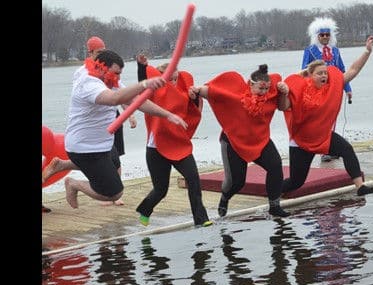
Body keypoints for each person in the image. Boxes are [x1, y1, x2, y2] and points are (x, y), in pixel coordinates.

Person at [41, 49, 188, 209]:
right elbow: (113, 99)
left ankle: (61, 165)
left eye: (120, 74)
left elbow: (138, 101)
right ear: (100, 68)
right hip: (84, 148)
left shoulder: (110, 80)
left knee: (115, 162)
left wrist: (167, 115)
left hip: (101, 144)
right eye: (115, 73)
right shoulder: (88, 83)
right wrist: (144, 84)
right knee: (114, 193)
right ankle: (74, 184)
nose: (117, 78)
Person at [279, 35, 373, 197]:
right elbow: (283, 106)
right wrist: (283, 93)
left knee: (346, 149)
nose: (324, 76)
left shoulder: (332, 86)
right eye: (319, 74)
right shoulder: (300, 89)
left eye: (325, 73)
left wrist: (367, 51)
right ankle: (273, 192)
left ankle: (360, 187)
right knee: (297, 181)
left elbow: (353, 70)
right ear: (311, 75)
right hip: (301, 140)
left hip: (323, 136)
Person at [188, 64, 290, 218]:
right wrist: (194, 91)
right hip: (233, 141)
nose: (264, 93)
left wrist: (283, 92)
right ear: (250, 85)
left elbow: (283, 107)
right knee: (237, 182)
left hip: (260, 140)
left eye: (266, 89)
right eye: (260, 89)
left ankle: (274, 206)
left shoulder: (270, 95)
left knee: (275, 166)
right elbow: (208, 91)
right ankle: (225, 198)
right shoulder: (235, 95)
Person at [134, 54, 211, 227]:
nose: (174, 83)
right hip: (156, 148)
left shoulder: (183, 92)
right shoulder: (155, 91)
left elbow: (192, 109)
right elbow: (142, 87)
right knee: (161, 190)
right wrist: (141, 66)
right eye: (171, 79)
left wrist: (193, 97)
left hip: (178, 145)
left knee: (193, 180)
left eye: (176, 79)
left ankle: (201, 219)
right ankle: (145, 209)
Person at [74, 36, 138, 206]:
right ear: (91, 52)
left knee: (116, 157)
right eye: (99, 52)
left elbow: (122, 94)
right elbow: (110, 97)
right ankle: (109, 190)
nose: (102, 55)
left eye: (104, 51)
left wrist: (130, 114)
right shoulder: (83, 73)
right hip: (95, 127)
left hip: (113, 120)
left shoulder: (110, 71)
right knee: (105, 158)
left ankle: (114, 191)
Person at [302, 17, 351, 162]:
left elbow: (342, 71)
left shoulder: (335, 51)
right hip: (317, 89)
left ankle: (330, 148)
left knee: (332, 118)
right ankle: (321, 147)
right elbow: (304, 71)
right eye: (322, 35)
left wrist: (347, 88)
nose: (325, 37)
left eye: (327, 35)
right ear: (317, 36)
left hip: (334, 88)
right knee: (321, 119)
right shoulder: (310, 51)